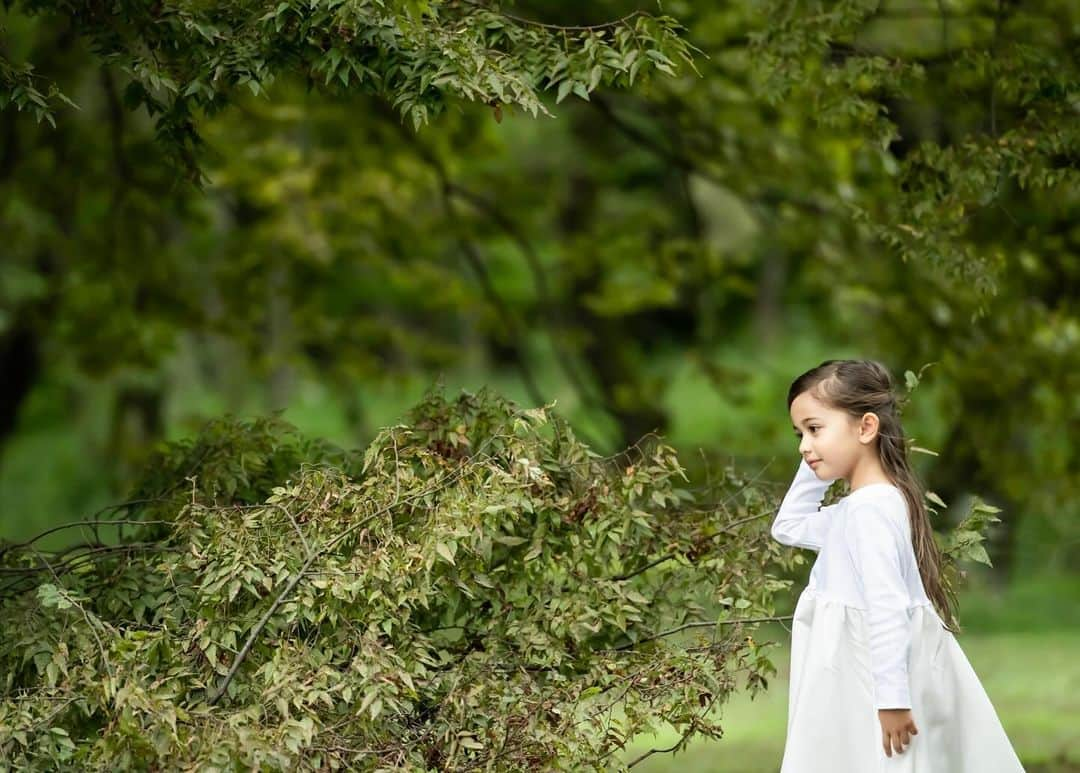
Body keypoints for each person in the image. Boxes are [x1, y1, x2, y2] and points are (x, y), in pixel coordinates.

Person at [772, 359, 1025, 772]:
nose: (803, 445)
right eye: (799, 434)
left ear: (866, 428)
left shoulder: (870, 511)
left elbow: (886, 607)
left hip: (872, 683)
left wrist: (891, 701)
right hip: (852, 680)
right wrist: (818, 452)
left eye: (815, 429)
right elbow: (789, 526)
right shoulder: (858, 510)